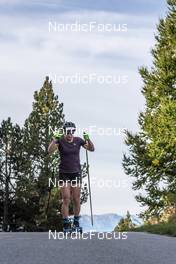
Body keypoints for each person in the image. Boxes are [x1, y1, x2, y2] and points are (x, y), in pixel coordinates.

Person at [48, 121, 94, 232]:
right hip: (64, 173)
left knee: (77, 199)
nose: (70, 134)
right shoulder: (60, 140)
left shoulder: (78, 140)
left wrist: (88, 139)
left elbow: (91, 149)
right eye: (68, 131)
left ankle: (76, 222)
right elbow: (49, 150)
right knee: (66, 199)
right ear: (64, 131)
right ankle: (66, 223)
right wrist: (55, 139)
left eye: (72, 131)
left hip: (76, 173)